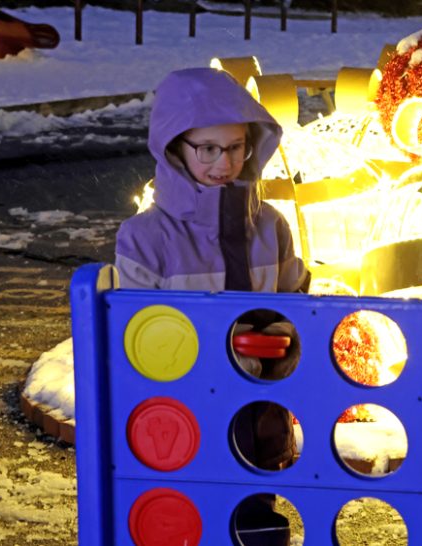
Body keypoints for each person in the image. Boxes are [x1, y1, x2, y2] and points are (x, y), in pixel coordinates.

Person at [115, 67, 309, 546]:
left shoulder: (271, 226)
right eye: (208, 149)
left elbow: (298, 308)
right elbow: (140, 342)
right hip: (182, 425)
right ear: (175, 148)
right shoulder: (145, 238)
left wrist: (285, 342)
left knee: (256, 524)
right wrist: (222, 352)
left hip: (260, 419)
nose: (225, 163)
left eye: (237, 147)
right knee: (184, 523)